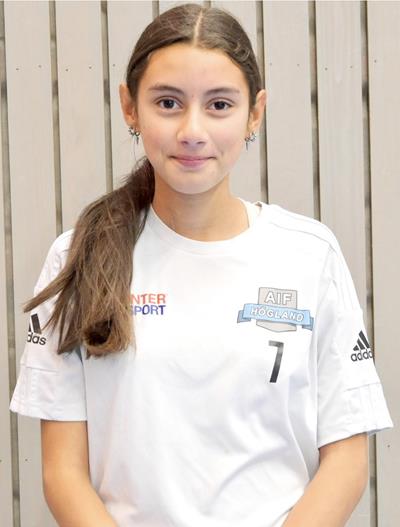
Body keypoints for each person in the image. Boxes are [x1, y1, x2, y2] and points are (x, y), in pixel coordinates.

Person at [9, 3, 393, 527]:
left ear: (254, 113)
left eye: (219, 105)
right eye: (168, 102)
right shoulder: (79, 256)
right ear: (130, 107)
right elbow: (62, 474)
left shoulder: (310, 254)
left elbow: (347, 458)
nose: (192, 130)